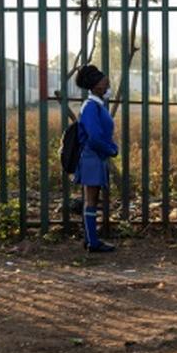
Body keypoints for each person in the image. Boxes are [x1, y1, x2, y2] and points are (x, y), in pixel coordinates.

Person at [74, 65, 117, 253]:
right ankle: (93, 242)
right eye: (104, 82)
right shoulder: (91, 107)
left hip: (96, 156)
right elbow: (95, 136)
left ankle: (90, 238)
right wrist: (111, 149)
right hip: (93, 157)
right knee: (91, 199)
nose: (107, 85)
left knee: (92, 198)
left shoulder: (96, 105)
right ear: (96, 86)